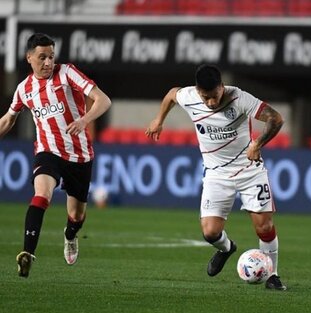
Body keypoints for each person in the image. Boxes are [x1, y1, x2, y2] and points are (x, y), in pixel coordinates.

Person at [146, 64, 287, 290]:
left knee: (264, 226)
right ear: (197, 91)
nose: (211, 102)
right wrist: (158, 120)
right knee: (210, 232)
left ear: (222, 87)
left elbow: (276, 118)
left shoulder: (239, 98)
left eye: (214, 96)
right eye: (206, 97)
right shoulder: (189, 96)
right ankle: (226, 248)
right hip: (216, 174)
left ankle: (273, 275)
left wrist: (258, 144)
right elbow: (172, 94)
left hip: (250, 170)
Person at [0, 33, 112, 277]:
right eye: (42, 57)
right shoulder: (24, 89)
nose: (48, 62)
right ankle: (27, 253)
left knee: (76, 216)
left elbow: (103, 100)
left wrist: (84, 119)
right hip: (48, 152)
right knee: (41, 194)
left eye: (51, 56)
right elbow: (8, 119)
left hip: (79, 156)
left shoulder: (68, 73)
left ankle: (70, 234)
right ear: (29, 58)